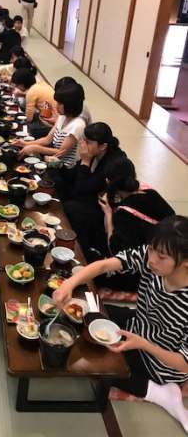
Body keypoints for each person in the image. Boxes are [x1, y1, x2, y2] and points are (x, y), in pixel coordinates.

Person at [54, 215, 188, 434]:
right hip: (139, 324)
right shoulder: (152, 257)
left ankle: (160, 392)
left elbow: (185, 364)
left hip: (160, 362)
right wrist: (69, 284)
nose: (151, 259)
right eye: (151, 249)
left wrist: (143, 344)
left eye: (161, 256)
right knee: (85, 317)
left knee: (96, 363)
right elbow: (106, 264)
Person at [63, 123, 127, 254]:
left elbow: (80, 190)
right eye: (83, 139)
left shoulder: (112, 164)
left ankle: (84, 251)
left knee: (71, 206)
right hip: (91, 195)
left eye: (88, 142)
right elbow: (73, 176)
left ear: (103, 146)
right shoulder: (95, 152)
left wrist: (85, 161)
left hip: (106, 209)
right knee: (59, 181)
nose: (83, 144)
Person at [100, 157, 175, 256]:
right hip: (173, 251)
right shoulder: (150, 192)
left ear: (108, 182)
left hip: (150, 260)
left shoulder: (122, 215)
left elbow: (117, 253)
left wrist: (108, 215)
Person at [15, 82, 86, 170]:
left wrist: (35, 148)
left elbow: (60, 153)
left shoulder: (78, 125)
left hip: (64, 168)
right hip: (52, 161)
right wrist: (25, 144)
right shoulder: (63, 117)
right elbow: (47, 139)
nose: (56, 106)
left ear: (70, 104)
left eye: (59, 103)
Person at [11, 68, 55, 137]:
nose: (17, 88)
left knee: (29, 128)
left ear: (22, 84)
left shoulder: (31, 92)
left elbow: (29, 118)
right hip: (53, 116)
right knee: (31, 116)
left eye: (17, 85)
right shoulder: (41, 84)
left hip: (50, 124)